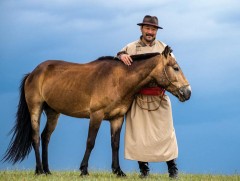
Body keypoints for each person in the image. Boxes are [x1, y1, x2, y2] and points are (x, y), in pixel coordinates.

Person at [117, 15, 179, 179]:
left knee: (166, 134)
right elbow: (117, 61)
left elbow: (173, 68)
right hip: (139, 99)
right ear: (141, 29)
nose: (150, 32)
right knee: (139, 136)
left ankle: (172, 169)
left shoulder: (164, 48)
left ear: (156, 31)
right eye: (147, 28)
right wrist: (121, 56)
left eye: (153, 29)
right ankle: (144, 170)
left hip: (159, 98)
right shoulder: (131, 47)